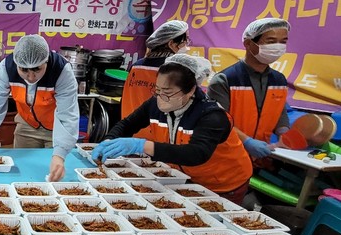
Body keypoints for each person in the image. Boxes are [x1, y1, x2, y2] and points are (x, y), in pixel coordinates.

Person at [93, 54, 253, 204]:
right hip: (183, 178)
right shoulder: (155, 103)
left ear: (190, 90)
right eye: (157, 90)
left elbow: (197, 153)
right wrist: (109, 140)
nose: (160, 98)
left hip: (223, 184)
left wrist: (142, 145)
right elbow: (128, 124)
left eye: (167, 92)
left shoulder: (212, 115)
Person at [0, 34, 79, 182]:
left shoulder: (61, 70)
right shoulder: (7, 68)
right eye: (24, 70)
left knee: (54, 173)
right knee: (22, 173)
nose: (31, 77)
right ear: (16, 63)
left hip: (56, 128)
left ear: (46, 61)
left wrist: (60, 155)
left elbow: (67, 114)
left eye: (37, 70)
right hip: (26, 123)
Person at [208, 18, 291, 161]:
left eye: (283, 42)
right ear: (248, 43)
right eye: (271, 41)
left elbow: (280, 113)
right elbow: (218, 121)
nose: (277, 47)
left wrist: (284, 133)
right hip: (226, 156)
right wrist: (247, 141)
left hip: (261, 156)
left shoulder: (279, 80)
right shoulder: (225, 79)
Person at [121, 20, 190, 138]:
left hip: (131, 133)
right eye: (185, 41)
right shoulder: (176, 71)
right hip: (158, 138)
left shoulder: (136, 66)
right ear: (171, 44)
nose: (187, 45)